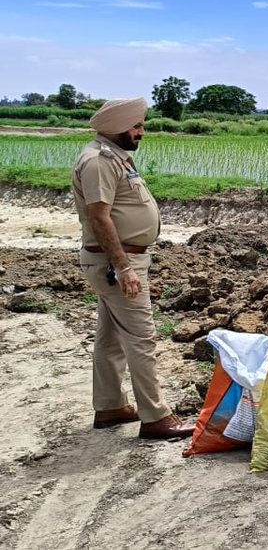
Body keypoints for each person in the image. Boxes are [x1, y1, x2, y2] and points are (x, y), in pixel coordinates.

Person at [72, 97, 194, 439]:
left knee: (110, 338)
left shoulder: (115, 158)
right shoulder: (99, 161)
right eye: (136, 126)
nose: (141, 132)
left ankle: (110, 407)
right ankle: (156, 417)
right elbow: (99, 217)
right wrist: (124, 267)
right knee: (142, 338)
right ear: (116, 127)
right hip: (118, 264)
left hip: (120, 261)